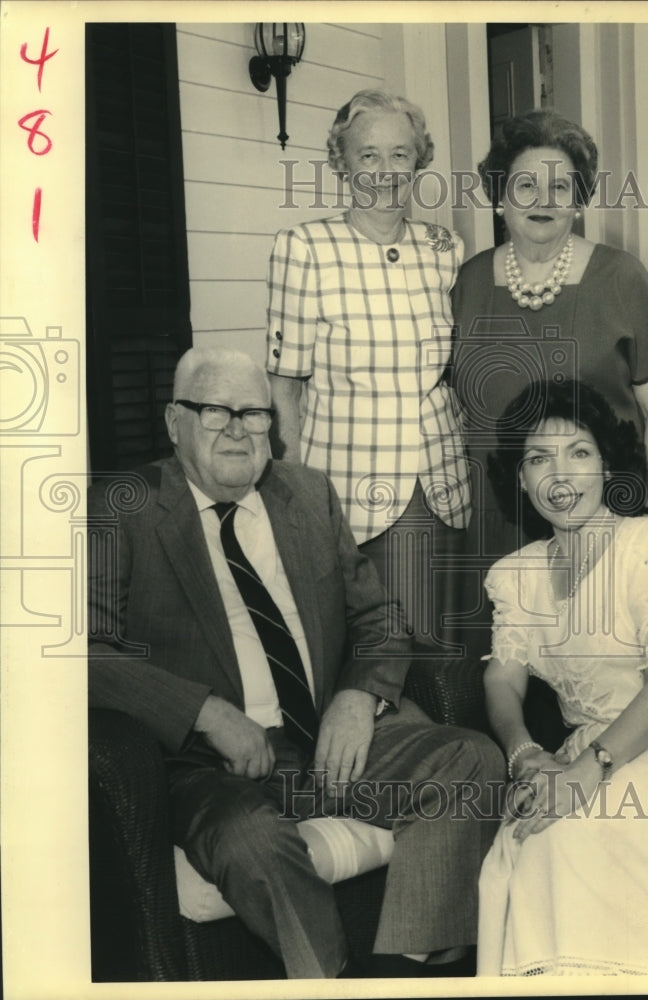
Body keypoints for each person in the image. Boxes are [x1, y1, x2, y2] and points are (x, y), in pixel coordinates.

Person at [88, 347, 503, 980]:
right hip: (210, 767)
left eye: (253, 413)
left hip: (328, 745)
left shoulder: (305, 492)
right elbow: (83, 652)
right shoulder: (124, 506)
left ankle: (411, 976)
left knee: (472, 759)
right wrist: (204, 713)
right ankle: (330, 982)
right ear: (175, 421)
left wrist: (358, 698)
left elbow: (380, 617)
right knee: (252, 840)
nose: (237, 429)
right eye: (214, 411)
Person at [476, 378, 648, 977]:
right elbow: (502, 680)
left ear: (608, 465)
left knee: (583, 836)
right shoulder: (515, 575)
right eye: (538, 458)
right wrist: (524, 754)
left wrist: (586, 773)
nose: (559, 475)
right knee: (542, 841)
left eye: (579, 453)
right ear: (519, 477)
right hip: (585, 748)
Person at [450, 110, 648, 656]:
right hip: (494, 524)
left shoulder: (619, 276)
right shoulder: (466, 283)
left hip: (601, 520)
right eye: (526, 184)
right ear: (499, 196)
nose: (543, 199)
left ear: (578, 200)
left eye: (561, 186)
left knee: (604, 665)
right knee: (504, 675)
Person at [267, 89, 470, 650]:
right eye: (369, 156)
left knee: (441, 640)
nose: (385, 171)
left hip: (444, 479)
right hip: (349, 487)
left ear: (418, 161)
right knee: (375, 646)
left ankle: (446, 735)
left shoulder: (444, 248)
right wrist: (295, 495)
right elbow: (285, 386)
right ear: (342, 162)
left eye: (400, 155)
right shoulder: (304, 247)